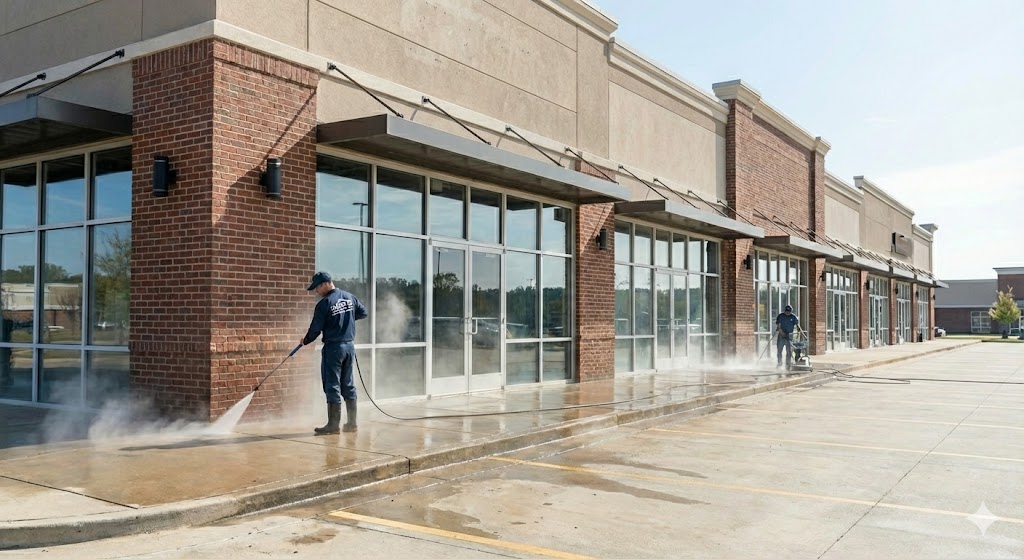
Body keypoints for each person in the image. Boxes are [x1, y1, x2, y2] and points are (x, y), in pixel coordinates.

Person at [301, 271, 367, 435]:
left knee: (332, 385)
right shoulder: (350, 297)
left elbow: (315, 329)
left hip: (334, 349)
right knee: (348, 384)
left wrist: (305, 341)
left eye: (317, 288)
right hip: (349, 348)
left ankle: (333, 426)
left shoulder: (324, 304)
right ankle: (352, 424)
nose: (316, 292)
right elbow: (363, 312)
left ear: (325, 284)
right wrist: (346, 318)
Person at [775, 304, 800, 370]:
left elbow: (797, 326)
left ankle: (788, 364)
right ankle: (779, 363)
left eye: (789, 311)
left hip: (789, 336)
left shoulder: (793, 317)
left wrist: (799, 333)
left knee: (789, 351)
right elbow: (778, 326)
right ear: (785, 311)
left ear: (791, 311)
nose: (787, 312)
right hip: (781, 335)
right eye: (786, 311)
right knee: (779, 350)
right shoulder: (781, 316)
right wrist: (781, 332)